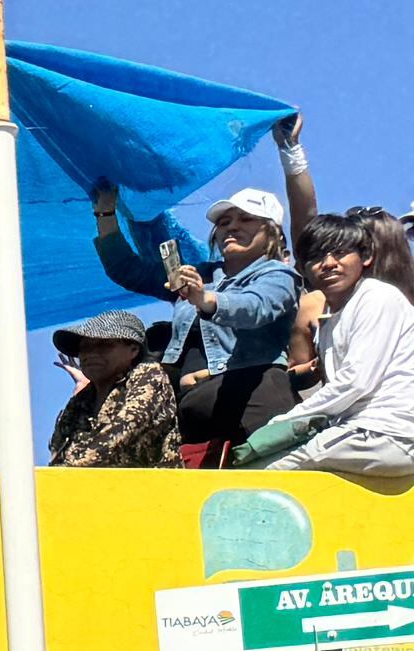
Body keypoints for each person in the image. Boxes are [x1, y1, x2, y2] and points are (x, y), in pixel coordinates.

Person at [93, 173, 301, 452]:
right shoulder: (200, 275)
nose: (232, 227)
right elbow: (128, 270)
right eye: (224, 222)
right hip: (194, 408)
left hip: (254, 399)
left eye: (246, 219)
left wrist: (205, 299)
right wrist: (105, 212)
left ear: (272, 232)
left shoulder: (278, 275)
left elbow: (255, 307)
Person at [237, 215, 414, 478]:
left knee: (258, 474)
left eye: (340, 253)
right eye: (317, 257)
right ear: (302, 268)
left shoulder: (377, 297)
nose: (329, 263)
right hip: (355, 432)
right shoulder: (329, 322)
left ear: (365, 257)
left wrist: (280, 422)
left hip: (384, 432)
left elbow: (355, 382)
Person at [47, 312, 180, 470]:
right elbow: (58, 449)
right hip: (85, 483)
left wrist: (66, 468)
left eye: (104, 345)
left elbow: (121, 433)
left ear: (133, 350)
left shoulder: (148, 375)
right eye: (84, 347)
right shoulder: (80, 401)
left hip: (148, 483)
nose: (90, 354)